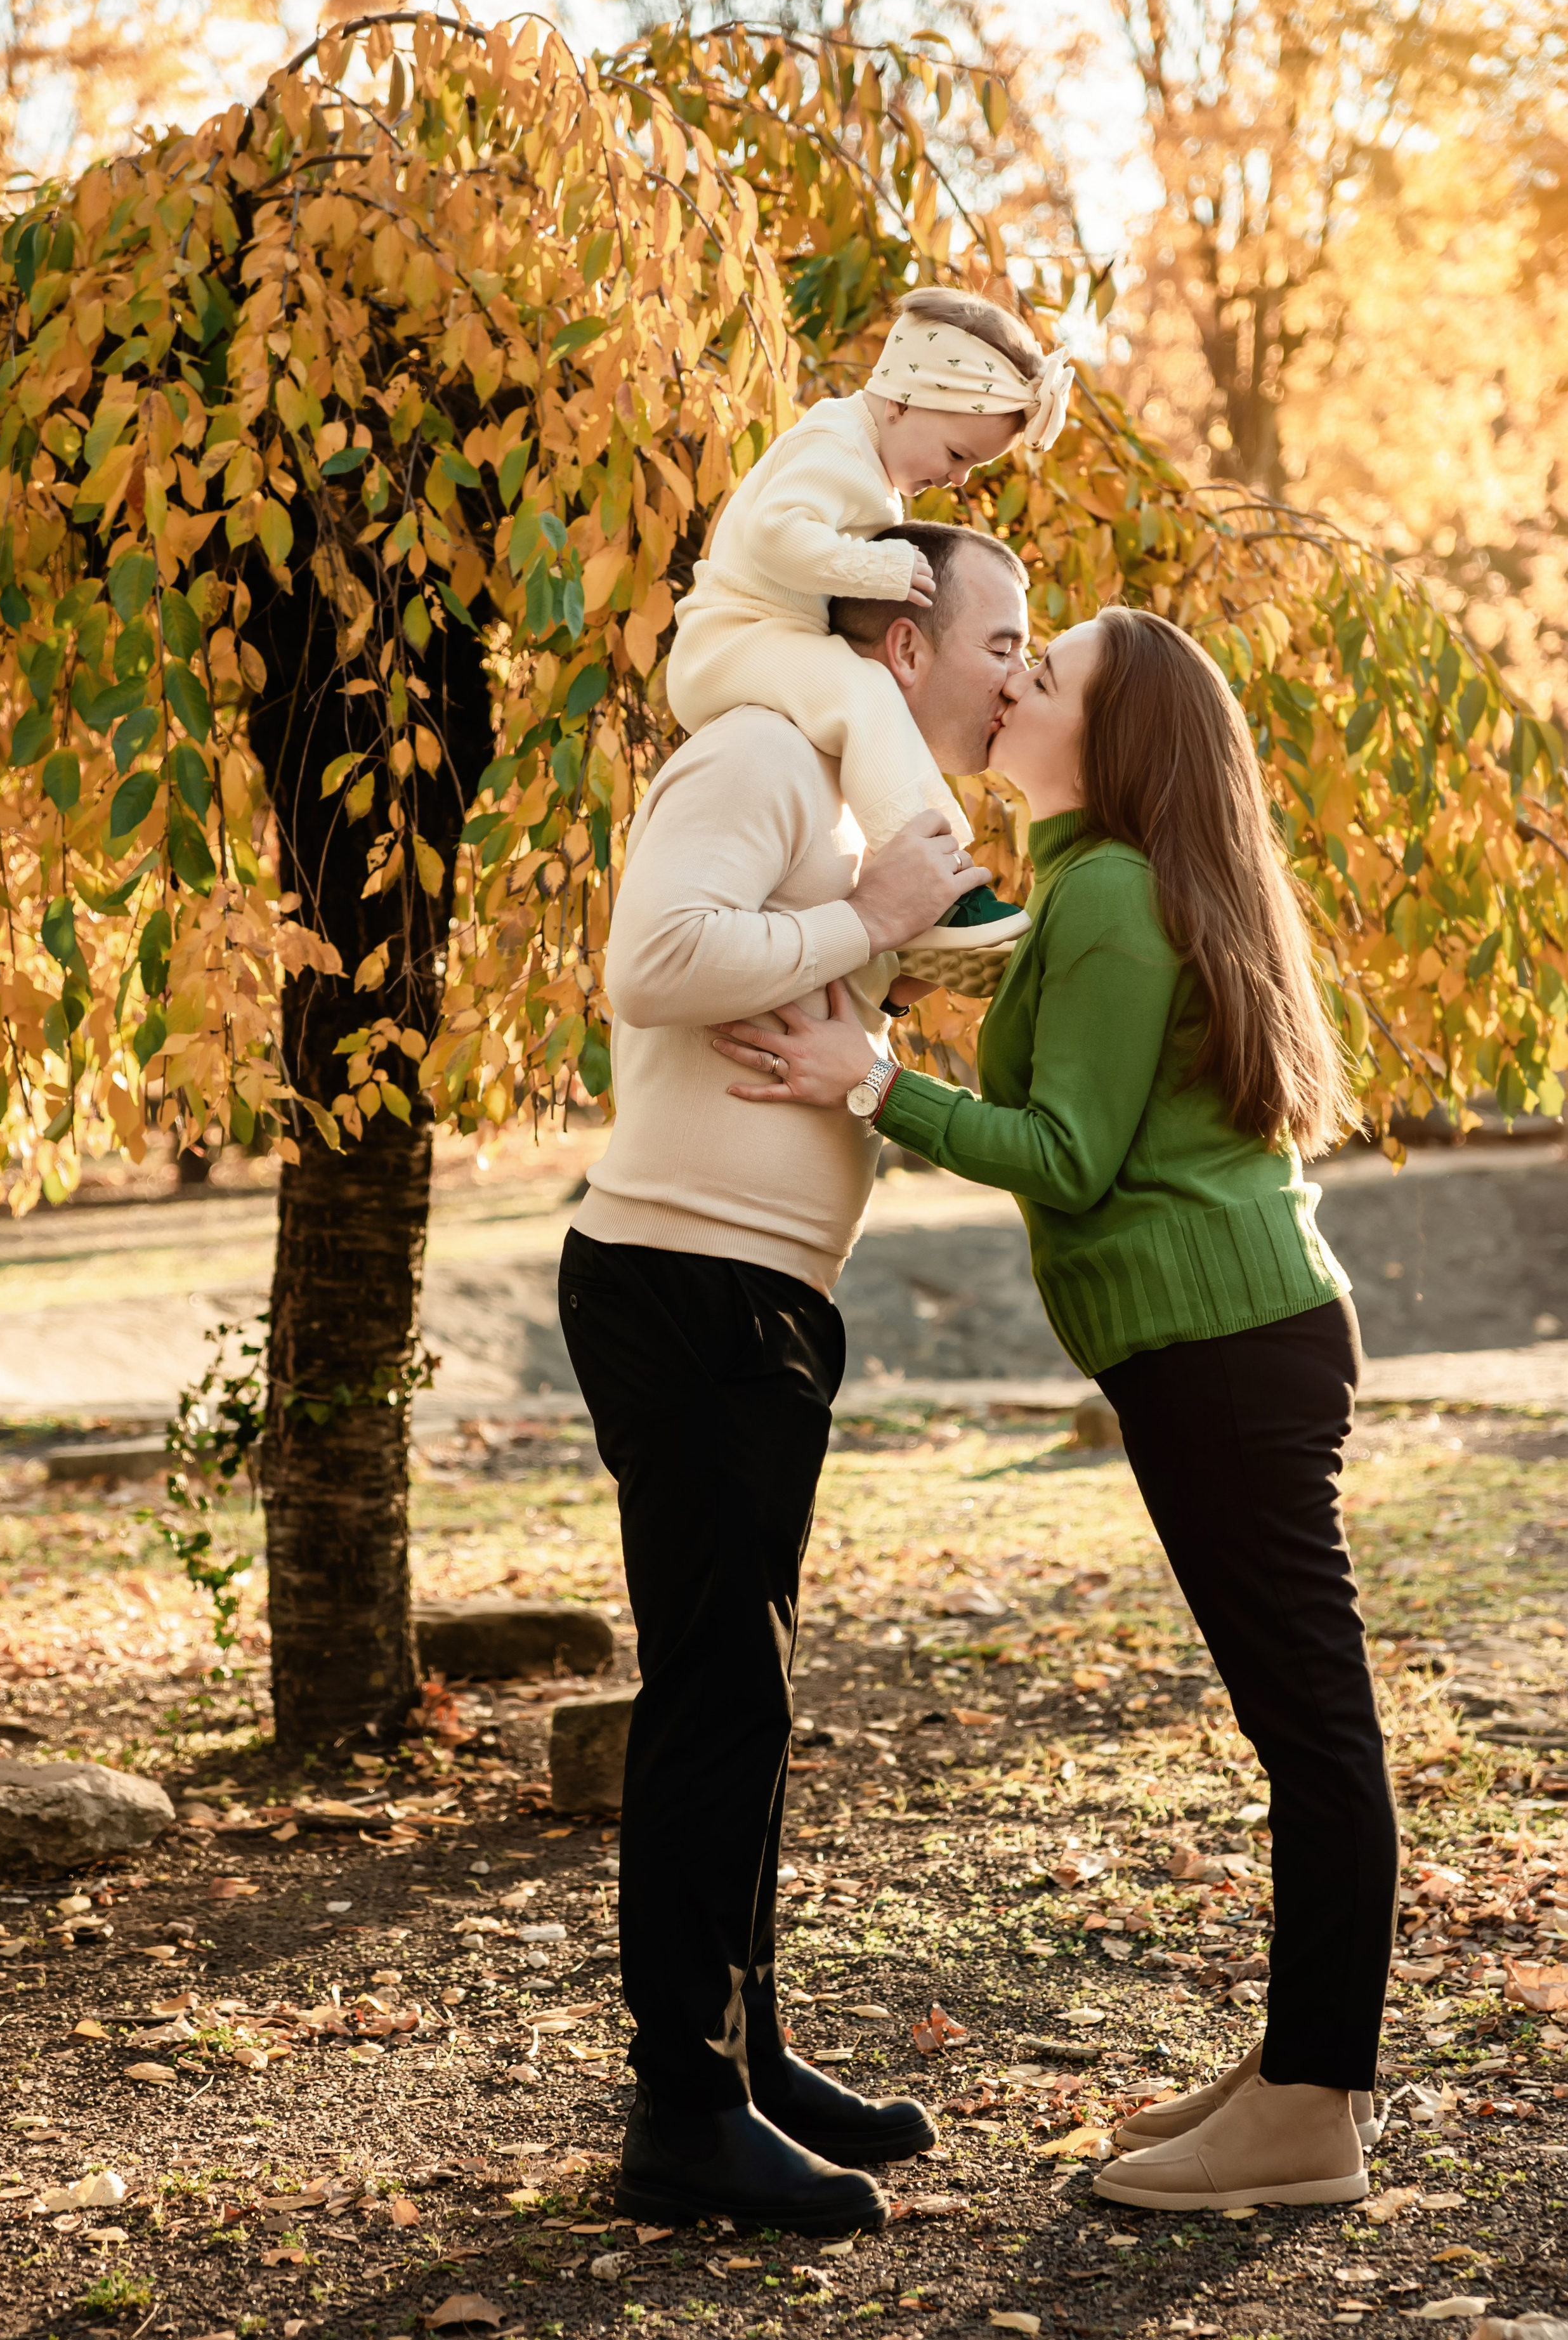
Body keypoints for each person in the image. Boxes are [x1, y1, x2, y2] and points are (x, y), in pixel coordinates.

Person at [712, 602, 1397, 2215]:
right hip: (1234, 1338)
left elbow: (1066, 1154)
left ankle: (1311, 2101)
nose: (1013, 681)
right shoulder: (1112, 887)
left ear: (1116, 734)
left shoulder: (1107, 896)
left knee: (1310, 1728)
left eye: (1049, 672)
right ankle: (1299, 2061)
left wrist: (870, 1083)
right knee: (1301, 1721)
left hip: (1220, 1350)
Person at [558, 522, 1034, 2235]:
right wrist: (871, 910)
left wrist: (880, 983)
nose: (1012, 673)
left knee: (748, 1699)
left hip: (754, 1299)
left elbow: (811, 1024)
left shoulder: (839, 799)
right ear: (901, 638)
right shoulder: (756, 752)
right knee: (710, 1699)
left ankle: (747, 2054)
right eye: (1000, 639)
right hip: (684, 1286)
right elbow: (654, 963)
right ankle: (681, 2113)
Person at [665, 291, 1072, 983]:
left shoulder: (869, 470)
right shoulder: (835, 445)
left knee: (869, 710)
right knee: (863, 692)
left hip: (767, 640)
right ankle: (942, 889)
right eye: (956, 453)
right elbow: (773, 532)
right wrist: (876, 565)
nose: (956, 477)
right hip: (731, 640)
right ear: (902, 400)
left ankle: (916, 912)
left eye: (972, 467)